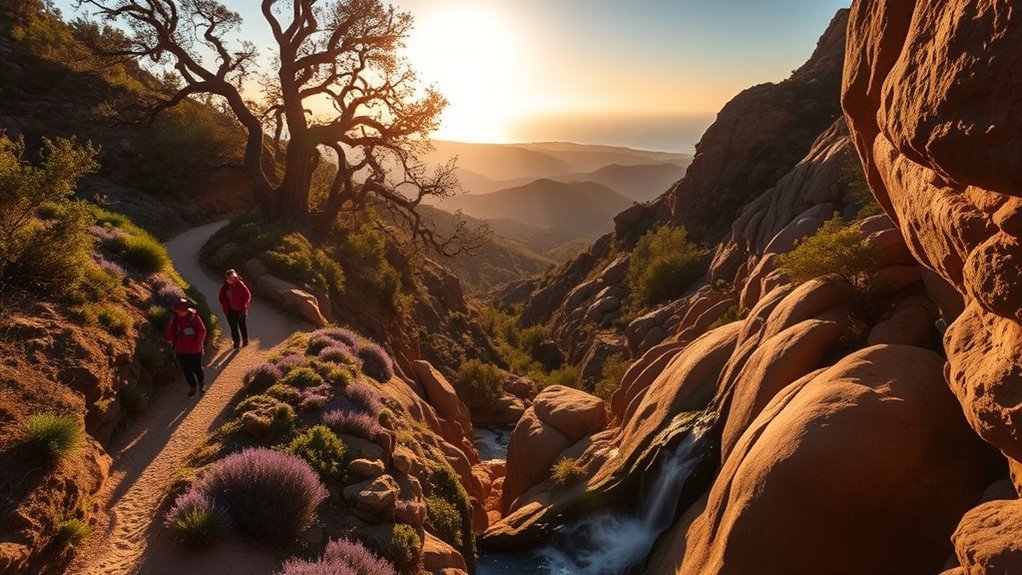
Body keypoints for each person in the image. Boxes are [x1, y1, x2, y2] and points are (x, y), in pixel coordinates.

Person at [165, 298, 207, 396]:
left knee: (197, 368)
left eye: (181, 311)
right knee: (186, 370)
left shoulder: (195, 318)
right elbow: (170, 332)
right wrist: (171, 340)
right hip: (181, 349)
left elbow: (202, 331)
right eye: (178, 311)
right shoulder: (174, 321)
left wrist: (197, 342)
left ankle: (201, 383)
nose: (180, 312)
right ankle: (192, 386)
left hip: (195, 349)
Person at [218, 268, 252, 349]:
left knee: (242, 325)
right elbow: (221, 297)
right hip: (230, 310)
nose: (228, 280)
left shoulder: (240, 285)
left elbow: (248, 296)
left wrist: (244, 305)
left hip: (241, 310)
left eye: (229, 278)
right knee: (233, 327)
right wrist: (225, 304)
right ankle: (236, 342)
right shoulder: (225, 287)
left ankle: (245, 340)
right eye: (227, 278)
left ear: (234, 278)